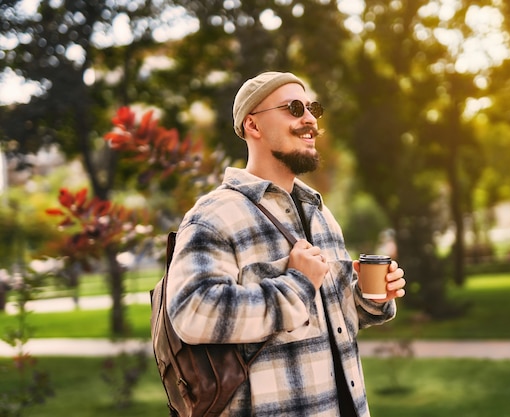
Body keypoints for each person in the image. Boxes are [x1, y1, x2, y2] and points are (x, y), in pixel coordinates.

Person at [166, 71, 406, 416]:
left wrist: (370, 299)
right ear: (253, 126)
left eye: (313, 109)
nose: (309, 119)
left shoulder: (319, 213)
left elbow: (333, 320)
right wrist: (297, 285)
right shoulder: (215, 215)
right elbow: (192, 312)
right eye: (294, 108)